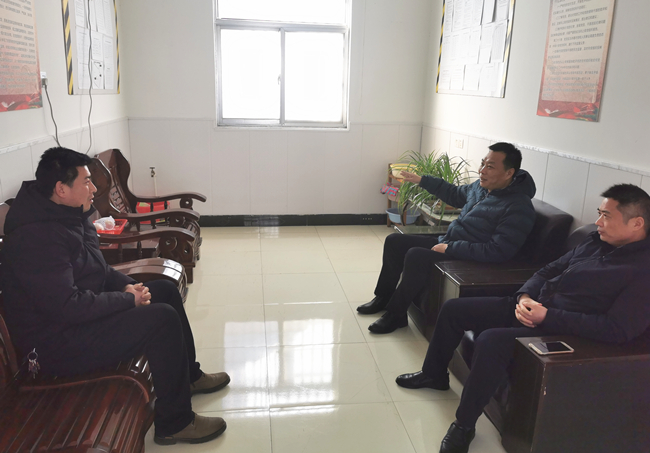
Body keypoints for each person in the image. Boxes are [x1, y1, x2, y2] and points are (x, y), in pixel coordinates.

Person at [396, 184, 650, 453]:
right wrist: (525, 296)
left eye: (606, 216)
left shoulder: (642, 271)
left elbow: (618, 329)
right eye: (599, 214)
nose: (597, 222)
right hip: (533, 306)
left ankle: (464, 425)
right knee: (454, 310)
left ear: (637, 223)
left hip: (564, 330)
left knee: (491, 341)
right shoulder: (594, 242)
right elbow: (549, 270)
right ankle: (433, 375)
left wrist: (548, 316)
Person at [0, 147, 228, 446]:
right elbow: (66, 306)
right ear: (61, 189)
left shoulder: (69, 215)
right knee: (161, 319)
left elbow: (99, 269)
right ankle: (175, 422)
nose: (93, 189)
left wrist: (129, 287)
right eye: (86, 182)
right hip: (54, 345)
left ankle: (190, 377)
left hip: (76, 321)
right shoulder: (37, 238)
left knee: (163, 290)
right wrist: (127, 300)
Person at [358, 142, 536, 334]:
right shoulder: (481, 187)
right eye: (483, 163)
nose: (482, 170)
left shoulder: (518, 207)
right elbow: (454, 194)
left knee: (417, 255)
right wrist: (422, 180)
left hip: (471, 256)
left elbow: (498, 251)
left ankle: (396, 315)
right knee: (394, 241)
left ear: (509, 173)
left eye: (490, 167)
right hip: (451, 242)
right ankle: (383, 298)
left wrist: (451, 248)